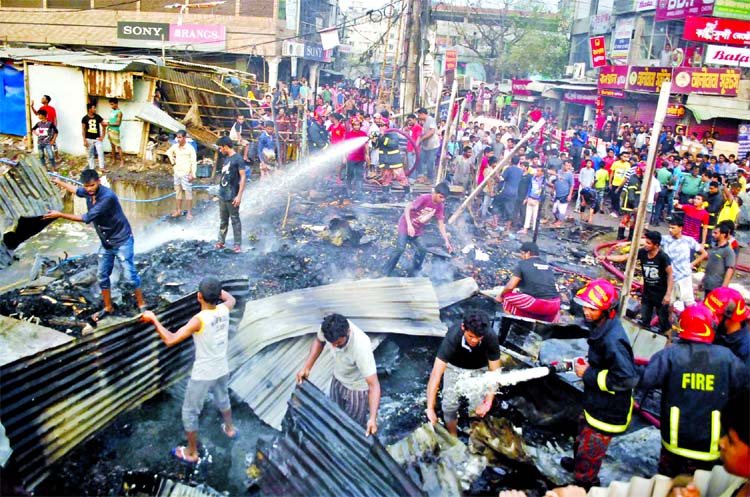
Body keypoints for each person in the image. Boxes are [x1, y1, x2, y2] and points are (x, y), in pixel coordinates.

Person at [638, 304, 746, 477]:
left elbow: (646, 379)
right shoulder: (728, 358)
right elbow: (743, 389)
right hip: (711, 448)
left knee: (667, 484)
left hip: (674, 442)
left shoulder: (669, 355)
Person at [140, 276, 238, 464]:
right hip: (221, 366)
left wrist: (154, 320)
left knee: (189, 412)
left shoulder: (199, 320)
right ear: (217, 296)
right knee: (222, 396)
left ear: (199, 296)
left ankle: (192, 453)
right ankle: (230, 429)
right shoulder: (225, 309)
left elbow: (170, 340)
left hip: (203, 373)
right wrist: (216, 291)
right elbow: (231, 298)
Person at [561, 279, 638, 489]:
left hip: (607, 412)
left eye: (592, 308)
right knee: (580, 438)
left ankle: (586, 484)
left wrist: (588, 373)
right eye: (586, 306)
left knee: (590, 453)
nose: (586, 311)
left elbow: (625, 379)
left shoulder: (613, 340)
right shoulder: (602, 327)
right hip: (595, 402)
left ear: (607, 310)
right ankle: (578, 464)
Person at [44, 169, 146, 321]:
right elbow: (77, 191)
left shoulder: (107, 197)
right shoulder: (88, 192)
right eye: (86, 186)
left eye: (92, 185)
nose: (89, 189)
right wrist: (60, 182)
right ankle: (108, 307)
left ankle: (142, 305)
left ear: (98, 181)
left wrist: (60, 215)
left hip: (122, 240)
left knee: (130, 276)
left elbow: (86, 218)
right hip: (106, 242)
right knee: (102, 275)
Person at [296, 313, 381, 436]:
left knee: (352, 426)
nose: (335, 346)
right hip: (338, 379)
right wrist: (307, 367)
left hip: (356, 389)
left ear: (348, 332)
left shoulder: (361, 347)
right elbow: (319, 342)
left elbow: (374, 385)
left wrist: (373, 418)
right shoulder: (328, 328)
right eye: (332, 343)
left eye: (339, 343)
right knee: (335, 413)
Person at [426, 310, 500, 436]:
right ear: (463, 328)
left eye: (478, 338)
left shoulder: (490, 336)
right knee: (449, 405)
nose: (475, 341)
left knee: (477, 404)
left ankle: (475, 432)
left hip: (479, 368)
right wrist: (430, 408)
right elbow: (436, 375)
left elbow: (494, 372)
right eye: (471, 336)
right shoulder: (453, 337)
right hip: (454, 366)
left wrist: (488, 402)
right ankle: (453, 435)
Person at [600, 231, 673, 333]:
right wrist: (606, 257)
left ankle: (667, 344)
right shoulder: (642, 252)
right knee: (644, 319)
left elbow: (670, 275)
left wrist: (668, 294)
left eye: (648, 243)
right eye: (645, 242)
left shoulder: (663, 257)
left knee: (664, 323)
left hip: (661, 294)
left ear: (656, 245)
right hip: (647, 292)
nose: (646, 245)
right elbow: (625, 257)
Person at [384, 182, 453, 277]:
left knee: (422, 249)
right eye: (441, 197)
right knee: (400, 249)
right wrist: (409, 225)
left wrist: (446, 241)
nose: (442, 200)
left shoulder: (440, 206)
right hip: (405, 225)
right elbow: (407, 208)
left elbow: (441, 224)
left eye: (444, 198)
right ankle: (385, 273)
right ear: (435, 193)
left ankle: (414, 273)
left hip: (417, 229)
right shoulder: (424, 198)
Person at [496, 241, 561, 322]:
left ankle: (511, 326)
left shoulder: (523, 264)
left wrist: (500, 296)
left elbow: (510, 286)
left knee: (507, 297)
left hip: (541, 305)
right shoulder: (547, 266)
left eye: (522, 254)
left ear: (528, 253)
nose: (521, 256)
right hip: (555, 305)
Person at [662, 217, 708, 311]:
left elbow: (704, 254)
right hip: (670, 278)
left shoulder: (688, 240)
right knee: (669, 303)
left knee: (689, 304)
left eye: (673, 228)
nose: (670, 230)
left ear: (680, 228)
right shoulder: (665, 239)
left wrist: (692, 264)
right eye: (669, 228)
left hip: (684, 278)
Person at [215, 136, 246, 253]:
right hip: (223, 194)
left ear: (225, 146)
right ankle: (220, 242)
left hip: (232, 194)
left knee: (235, 219)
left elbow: (243, 177)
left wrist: (239, 196)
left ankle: (237, 244)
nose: (219, 150)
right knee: (223, 220)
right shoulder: (226, 159)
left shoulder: (238, 159)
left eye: (220, 148)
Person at [704, 287, 750, 364]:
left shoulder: (746, 349)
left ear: (728, 317)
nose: (708, 317)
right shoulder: (716, 333)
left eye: (712, 314)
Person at [166, 130, 197, 220]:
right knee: (178, 191)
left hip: (186, 173)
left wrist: (193, 174)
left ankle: (189, 212)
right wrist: (173, 161)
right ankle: (179, 210)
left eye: (180, 137)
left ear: (184, 138)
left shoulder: (190, 148)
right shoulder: (175, 147)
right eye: (177, 137)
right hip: (177, 172)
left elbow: (194, 162)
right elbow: (168, 152)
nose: (178, 139)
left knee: (188, 192)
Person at [702, 224, 736, 297]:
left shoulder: (728, 251)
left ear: (723, 234)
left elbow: (730, 269)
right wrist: (702, 281)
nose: (713, 235)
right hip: (708, 285)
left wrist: (724, 287)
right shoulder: (714, 248)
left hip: (717, 287)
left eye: (716, 233)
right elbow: (709, 267)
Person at [519, 166, 546, 235]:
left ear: (542, 172)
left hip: (537, 200)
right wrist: (527, 197)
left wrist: (539, 200)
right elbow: (529, 188)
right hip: (531, 198)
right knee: (528, 214)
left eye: (538, 171)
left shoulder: (543, 180)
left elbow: (543, 191)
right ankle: (525, 228)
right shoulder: (533, 179)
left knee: (535, 216)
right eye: (537, 170)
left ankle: (534, 230)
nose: (537, 172)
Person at [417, 108, 440, 181]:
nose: (419, 117)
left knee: (430, 162)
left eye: (419, 115)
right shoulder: (424, 122)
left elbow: (432, 132)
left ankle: (431, 178)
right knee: (421, 160)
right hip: (425, 146)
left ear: (423, 114)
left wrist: (423, 138)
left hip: (433, 145)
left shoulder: (430, 119)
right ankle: (423, 176)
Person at [81, 103, 105, 171]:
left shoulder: (98, 117)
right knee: (90, 154)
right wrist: (84, 140)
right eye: (94, 108)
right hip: (88, 139)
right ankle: (92, 168)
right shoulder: (84, 118)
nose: (95, 109)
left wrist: (102, 136)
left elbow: (104, 125)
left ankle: (102, 167)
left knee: (100, 153)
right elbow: (83, 130)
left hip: (97, 139)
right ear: (90, 109)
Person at [104, 98, 124, 168]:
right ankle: (113, 160)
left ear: (116, 104)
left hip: (115, 131)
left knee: (118, 146)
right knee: (112, 146)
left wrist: (108, 124)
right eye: (110, 104)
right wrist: (108, 125)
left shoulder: (119, 112)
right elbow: (111, 121)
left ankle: (122, 161)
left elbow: (118, 123)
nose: (111, 106)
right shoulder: (112, 111)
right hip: (110, 130)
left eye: (112, 104)